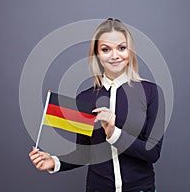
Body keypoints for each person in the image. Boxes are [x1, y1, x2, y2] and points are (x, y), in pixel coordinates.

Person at [29, 18, 165, 192]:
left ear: (130, 52)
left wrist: (113, 132)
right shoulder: (85, 98)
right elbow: (85, 153)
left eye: (121, 48)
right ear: (97, 54)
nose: (115, 56)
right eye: (106, 49)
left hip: (140, 188)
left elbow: (152, 153)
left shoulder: (152, 92)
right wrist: (54, 162)